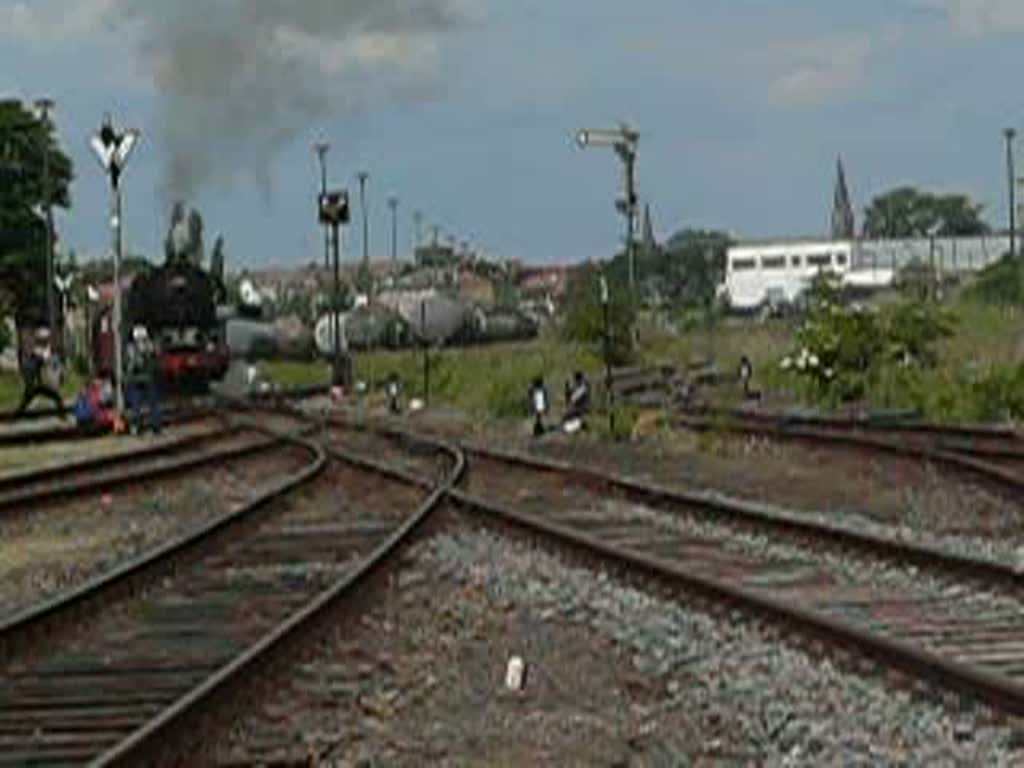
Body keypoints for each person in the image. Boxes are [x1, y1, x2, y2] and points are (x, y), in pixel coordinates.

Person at [14, 328, 66, 418]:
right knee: (56, 397)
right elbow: (47, 360)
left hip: (35, 384)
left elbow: (46, 361)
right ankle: (63, 416)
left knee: (26, 401)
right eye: (46, 339)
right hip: (37, 384)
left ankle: (16, 416)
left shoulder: (36, 352)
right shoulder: (39, 352)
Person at [124, 325, 163, 436]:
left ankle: (137, 426)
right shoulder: (150, 346)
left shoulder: (131, 348)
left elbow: (129, 365)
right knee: (153, 404)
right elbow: (156, 357)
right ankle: (156, 427)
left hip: (136, 379)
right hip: (148, 378)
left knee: (136, 405)